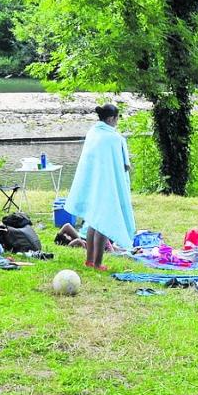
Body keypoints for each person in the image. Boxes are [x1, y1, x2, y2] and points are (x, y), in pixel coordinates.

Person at [64, 104, 135, 271]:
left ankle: (89, 260)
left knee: (93, 221)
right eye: (117, 118)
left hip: (93, 184)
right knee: (104, 222)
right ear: (111, 118)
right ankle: (97, 263)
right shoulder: (113, 138)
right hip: (107, 184)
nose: (117, 122)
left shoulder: (93, 133)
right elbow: (123, 166)